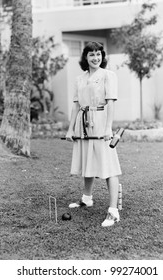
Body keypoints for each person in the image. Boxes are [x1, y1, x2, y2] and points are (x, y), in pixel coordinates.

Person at [66, 42, 122, 227]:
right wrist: (70, 128)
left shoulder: (108, 75)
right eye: (91, 55)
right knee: (87, 160)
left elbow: (111, 103)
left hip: (100, 122)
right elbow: (76, 105)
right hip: (83, 123)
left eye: (98, 54)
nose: (95, 58)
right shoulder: (79, 79)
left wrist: (108, 128)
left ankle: (113, 211)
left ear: (102, 56)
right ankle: (87, 198)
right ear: (85, 58)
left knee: (108, 166)